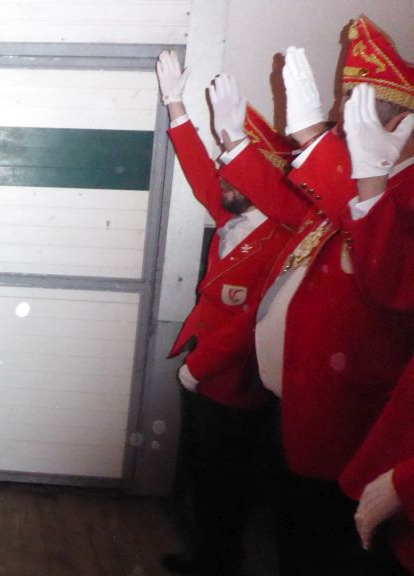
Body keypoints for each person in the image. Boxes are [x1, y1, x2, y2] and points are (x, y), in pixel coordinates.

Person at [213, 41, 414, 574]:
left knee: (317, 546)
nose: (342, 127)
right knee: (292, 533)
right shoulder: (362, 184)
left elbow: (390, 276)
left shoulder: (399, 192)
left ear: (399, 127)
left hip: (344, 417)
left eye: (354, 115)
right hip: (300, 400)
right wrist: (235, 142)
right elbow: (287, 204)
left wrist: (312, 140)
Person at [155, 51, 294, 576]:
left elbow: (255, 320)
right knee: (203, 471)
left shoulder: (280, 237)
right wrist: (175, 106)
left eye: (233, 176)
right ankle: (209, 555)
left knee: (225, 480)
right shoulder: (233, 212)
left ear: (261, 181)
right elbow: (197, 170)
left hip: (235, 379)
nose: (222, 181)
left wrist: (199, 367)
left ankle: (219, 561)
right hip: (206, 370)